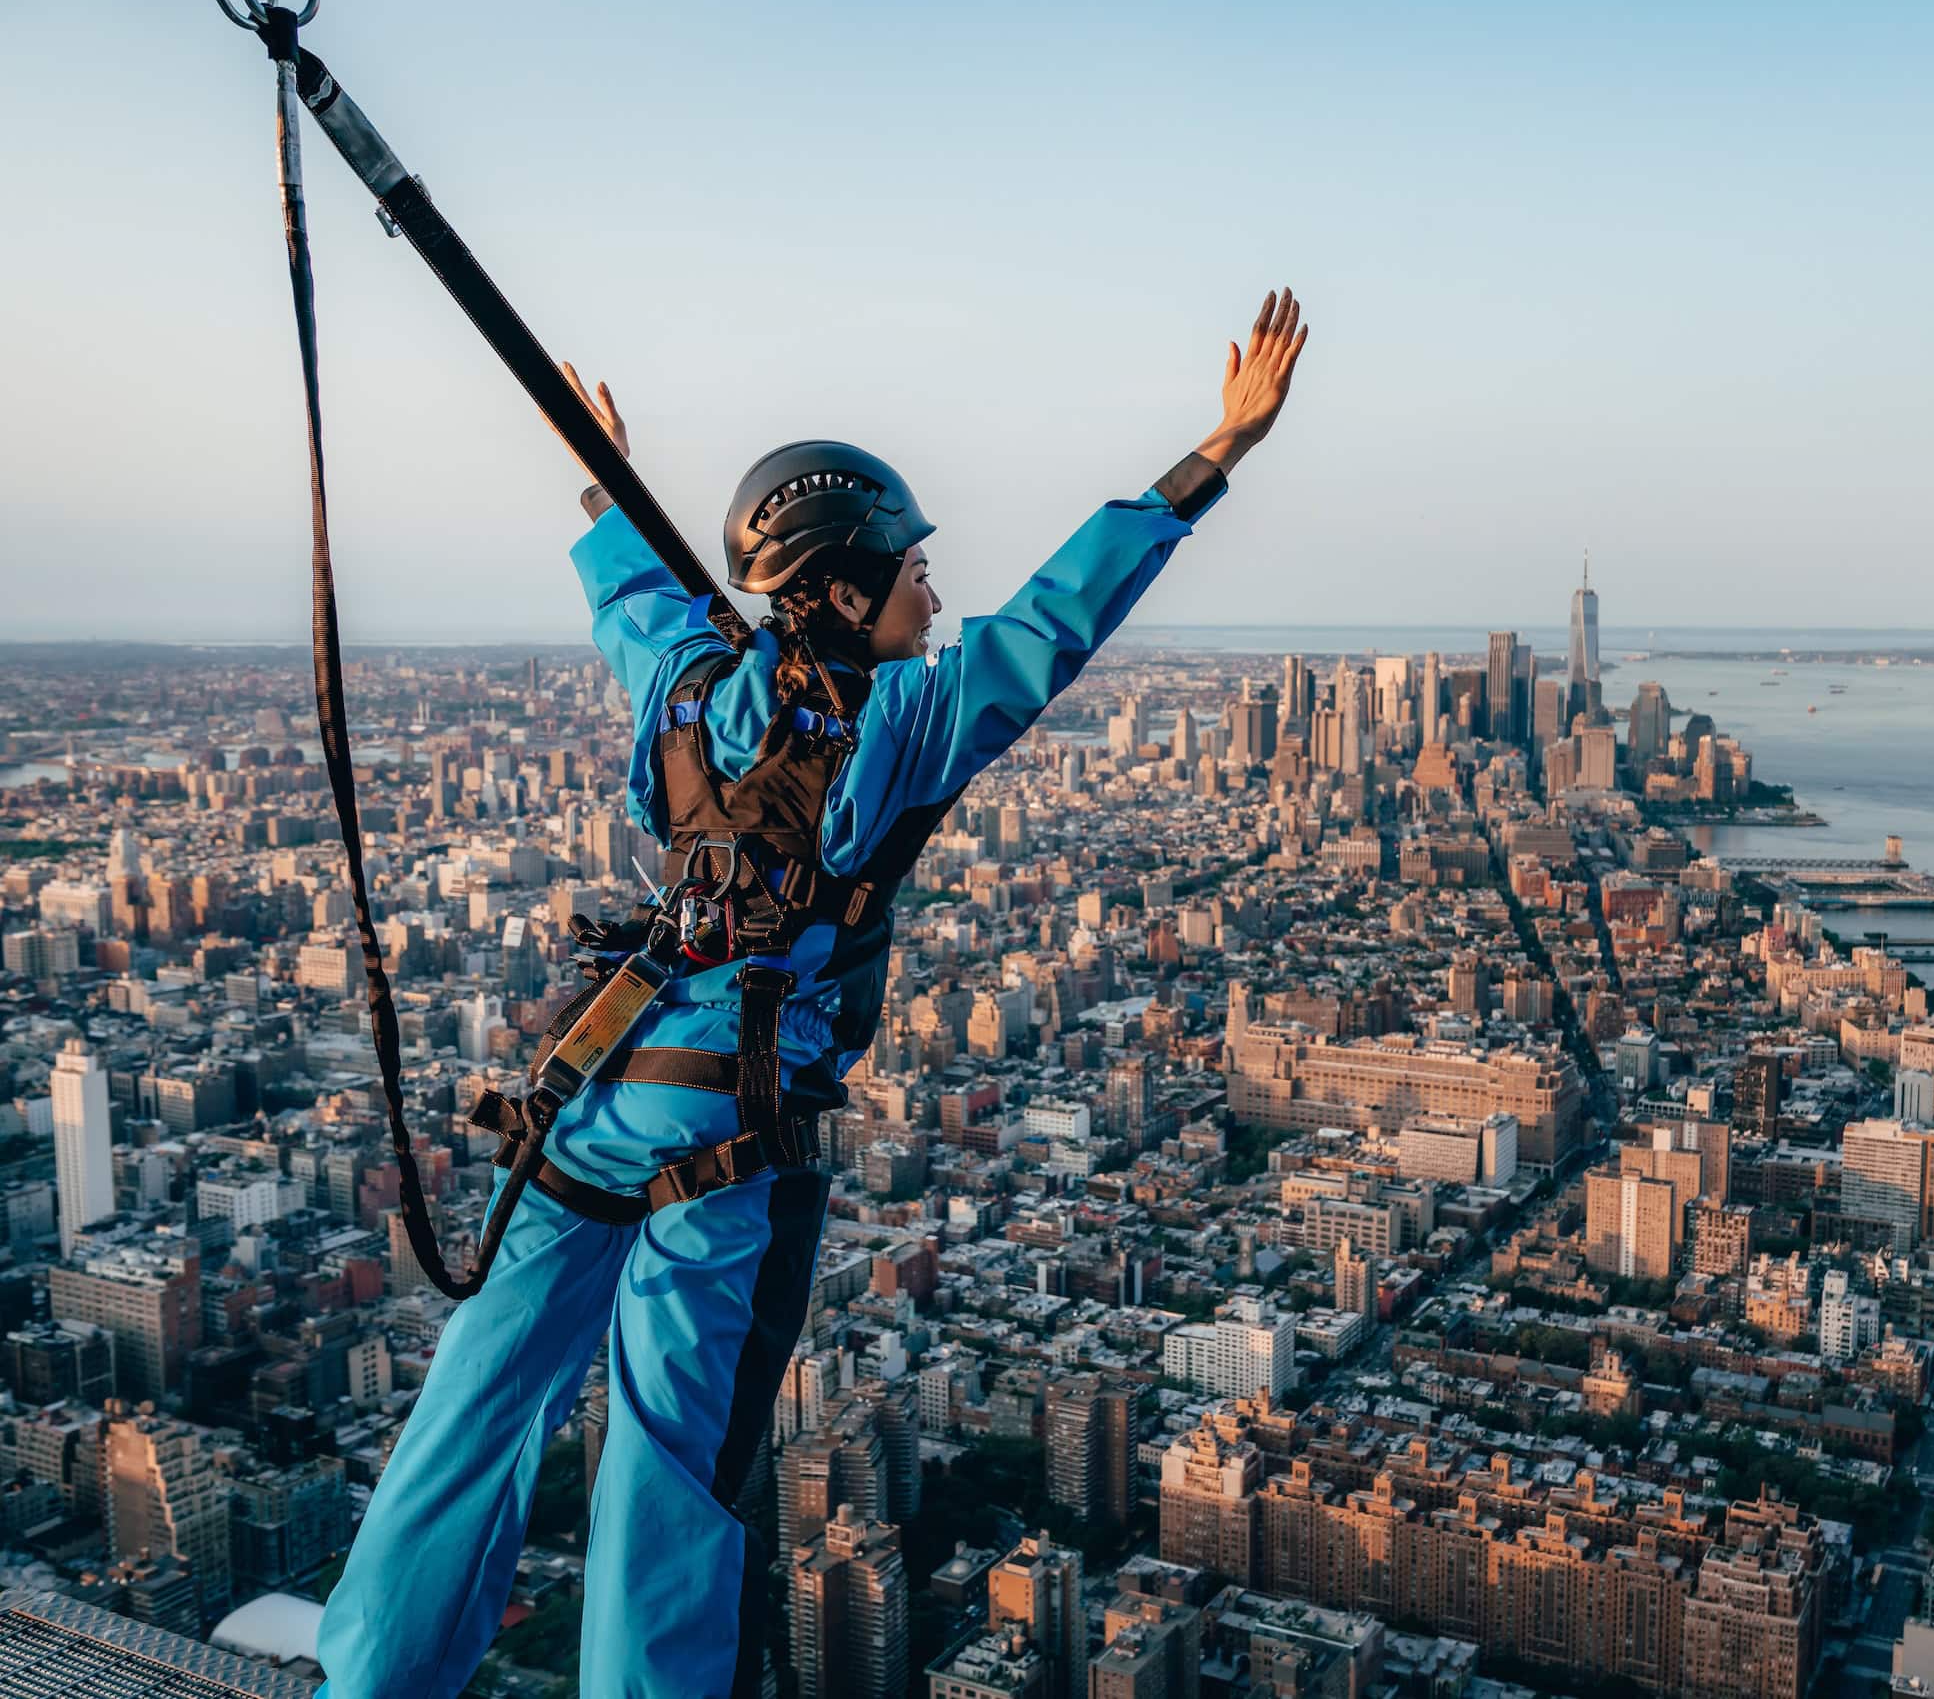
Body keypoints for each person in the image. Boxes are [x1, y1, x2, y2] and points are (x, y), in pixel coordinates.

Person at [316, 290, 1309, 1698]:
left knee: (466, 1421)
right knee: (666, 1475)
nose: (933, 592)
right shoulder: (896, 725)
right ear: (843, 586)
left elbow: (633, 596)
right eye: (912, 568)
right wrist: (1218, 454)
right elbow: (1051, 625)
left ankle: (367, 1681)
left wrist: (597, 481)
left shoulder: (686, 687)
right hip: (723, 1137)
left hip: (585, 1097)